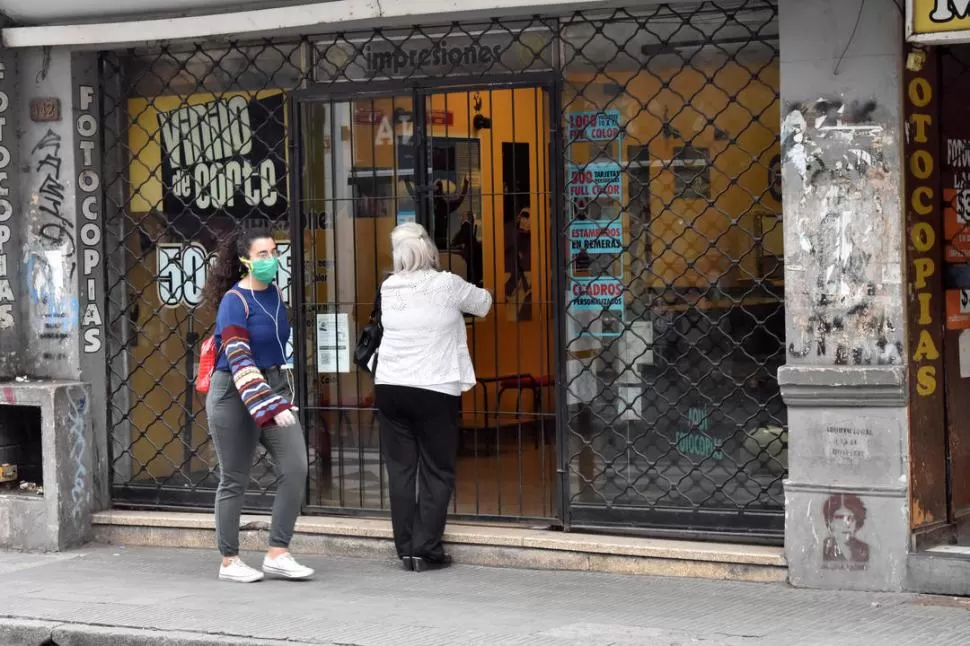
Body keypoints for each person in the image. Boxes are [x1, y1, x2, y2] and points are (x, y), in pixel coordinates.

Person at [374, 222, 492, 572]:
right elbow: (483, 303)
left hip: (390, 386)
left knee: (401, 469)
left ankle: (405, 548)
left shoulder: (388, 287)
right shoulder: (446, 284)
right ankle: (426, 549)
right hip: (434, 386)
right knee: (437, 469)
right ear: (429, 250)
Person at [201, 228, 312, 583]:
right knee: (234, 478)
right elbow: (239, 358)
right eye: (262, 254)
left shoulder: (276, 295)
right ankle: (229, 560)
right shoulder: (234, 301)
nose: (270, 260)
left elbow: (277, 352)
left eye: (274, 252)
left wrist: (280, 395)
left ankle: (278, 552)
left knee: (296, 466)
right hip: (234, 393)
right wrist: (268, 404)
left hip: (271, 387)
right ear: (245, 260)